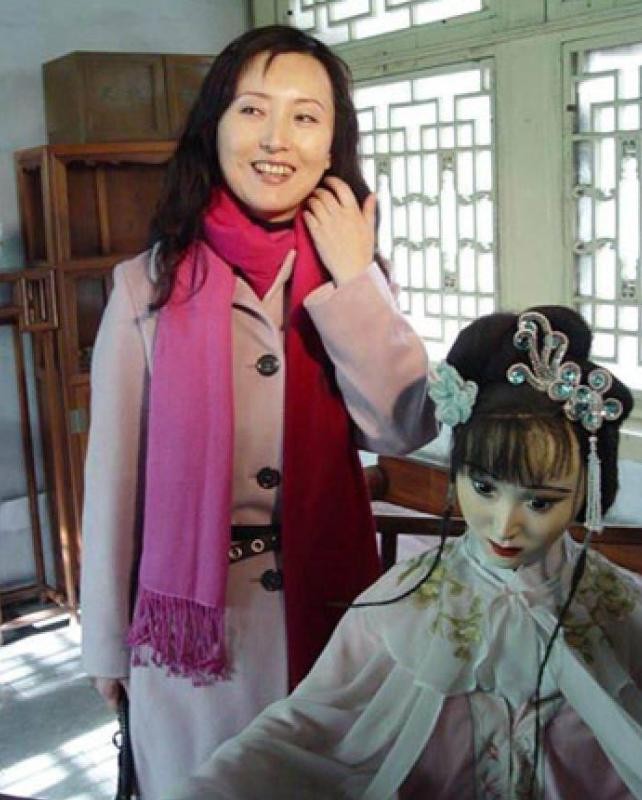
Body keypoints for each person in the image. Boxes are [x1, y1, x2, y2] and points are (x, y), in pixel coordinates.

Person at [80, 24, 437, 799]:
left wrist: (355, 281)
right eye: (252, 110)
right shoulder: (146, 285)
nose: (277, 140)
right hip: (199, 633)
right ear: (215, 126)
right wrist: (105, 643)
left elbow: (402, 427)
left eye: (305, 116)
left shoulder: (352, 270)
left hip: (335, 618)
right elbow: (112, 480)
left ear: (332, 142)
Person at [163, 306, 642, 800]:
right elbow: (309, 725)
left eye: (540, 502)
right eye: (483, 487)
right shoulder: (402, 603)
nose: (505, 525)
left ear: (587, 493)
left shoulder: (619, 610)